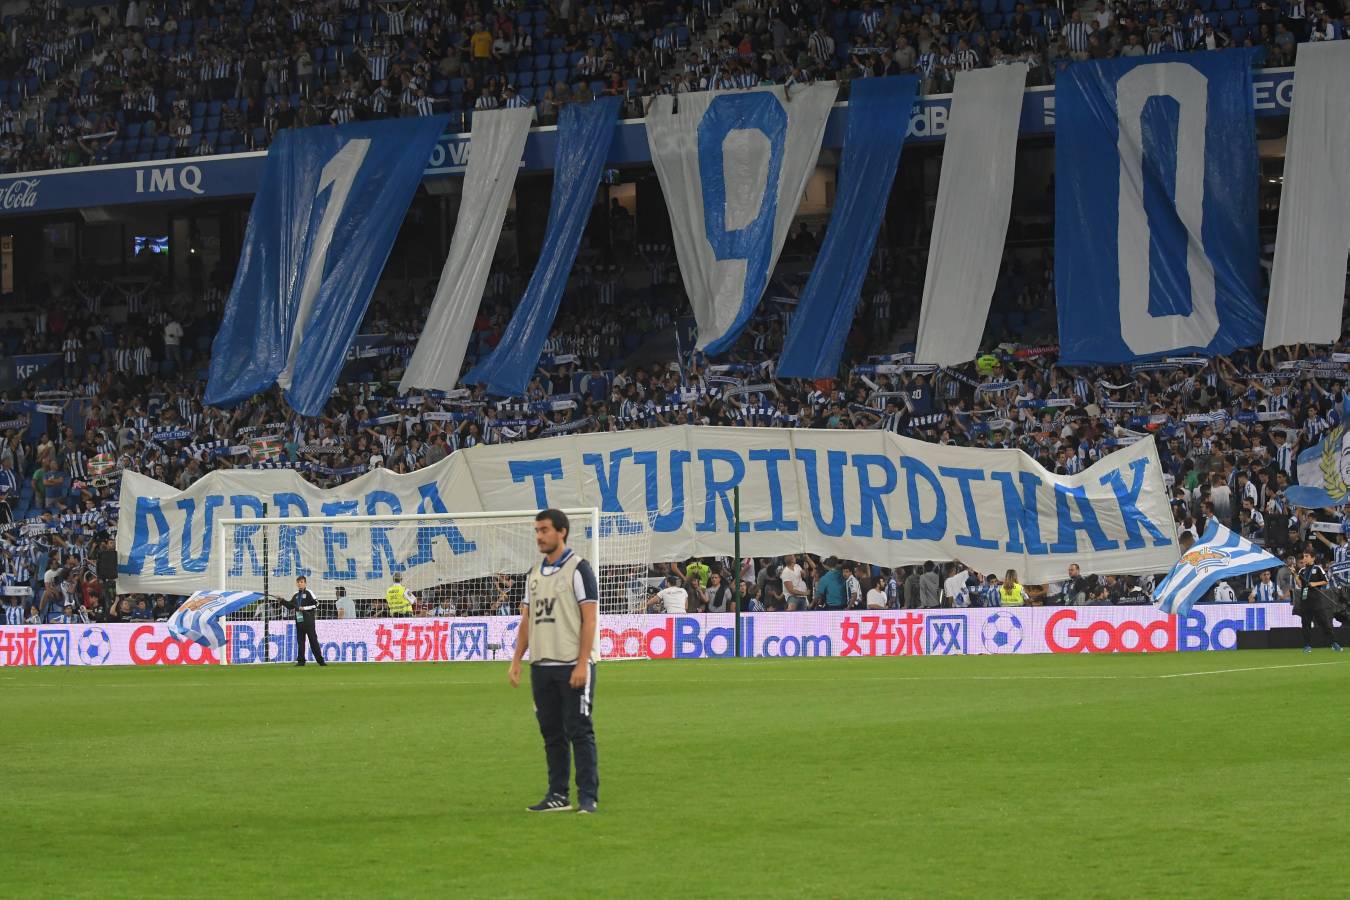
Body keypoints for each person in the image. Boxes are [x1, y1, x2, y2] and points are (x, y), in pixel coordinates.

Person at [508, 509, 600, 814]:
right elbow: (527, 621)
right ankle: (557, 794)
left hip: (572, 662)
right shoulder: (533, 574)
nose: (539, 536)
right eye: (536, 530)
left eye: (544, 530)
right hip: (542, 666)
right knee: (551, 733)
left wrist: (582, 663)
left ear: (561, 532)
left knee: (579, 729)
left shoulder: (578, 569)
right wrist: (516, 660)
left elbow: (589, 620)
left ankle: (587, 796)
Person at [1294, 550, 1343, 652]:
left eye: (1307, 556)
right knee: (1305, 624)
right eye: (1304, 556)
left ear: (1313, 558)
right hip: (1305, 601)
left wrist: (1314, 584)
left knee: (1324, 623)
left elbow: (1326, 580)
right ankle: (1307, 646)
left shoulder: (1318, 568)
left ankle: (1334, 643)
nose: (1304, 558)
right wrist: (1294, 575)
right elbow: (1299, 585)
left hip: (1316, 601)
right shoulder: (1302, 571)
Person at [278, 575, 326, 666]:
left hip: (308, 621)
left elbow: (317, 604)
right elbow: (290, 606)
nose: (300, 584)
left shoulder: (309, 592)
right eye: (298, 582)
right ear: (296, 584)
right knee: (300, 641)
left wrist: (305, 608)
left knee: (313, 640)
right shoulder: (296, 595)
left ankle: (320, 661)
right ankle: (301, 661)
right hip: (299, 620)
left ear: (305, 583)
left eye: (302, 582)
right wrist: (282, 601)